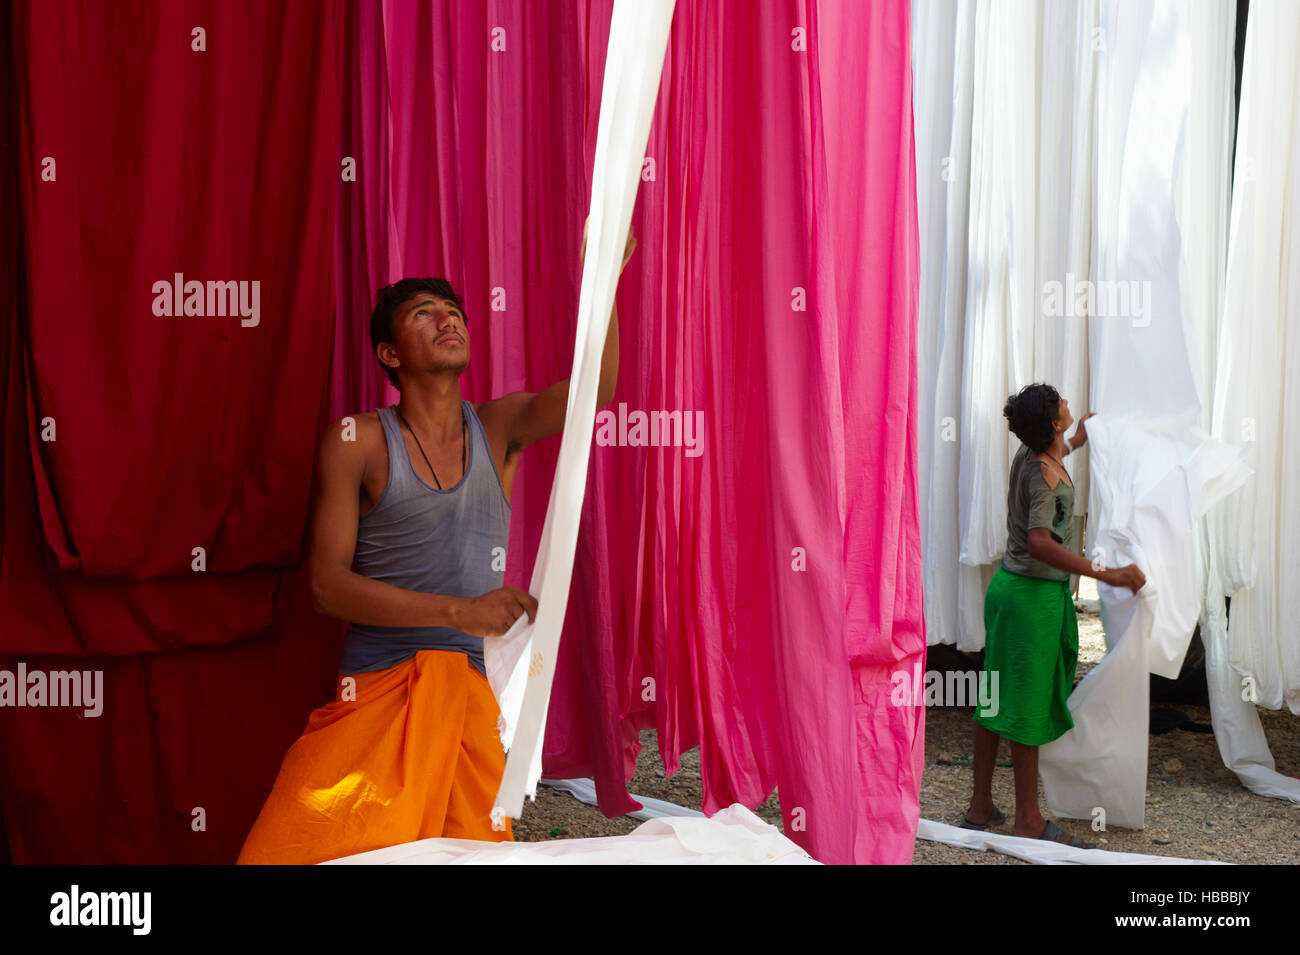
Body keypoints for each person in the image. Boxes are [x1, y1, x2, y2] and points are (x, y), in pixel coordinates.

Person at [237, 221, 635, 864]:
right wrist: (462, 612)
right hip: (374, 690)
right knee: (285, 854)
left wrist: (605, 281)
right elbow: (325, 587)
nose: (448, 320)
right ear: (390, 354)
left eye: (454, 312)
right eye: (425, 314)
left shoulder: (499, 425)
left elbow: (596, 394)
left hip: (465, 703)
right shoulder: (356, 440)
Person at [959, 383, 1146, 847]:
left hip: (1012, 591)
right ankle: (1028, 820)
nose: (1067, 402)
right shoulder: (1043, 474)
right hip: (1030, 601)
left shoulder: (1031, 455)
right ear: (1053, 423)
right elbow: (1041, 542)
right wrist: (1109, 574)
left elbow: (1053, 457)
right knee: (1026, 706)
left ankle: (981, 806)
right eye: (1061, 403)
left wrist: (1078, 440)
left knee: (996, 696)